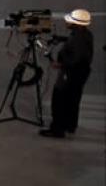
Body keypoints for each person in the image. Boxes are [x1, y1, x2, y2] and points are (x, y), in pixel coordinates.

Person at [40, 9, 94, 139]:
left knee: (59, 99)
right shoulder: (84, 33)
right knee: (73, 99)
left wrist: (60, 65)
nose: (67, 22)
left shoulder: (78, 38)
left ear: (78, 23)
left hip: (71, 72)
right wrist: (63, 39)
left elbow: (76, 57)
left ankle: (57, 129)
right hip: (80, 72)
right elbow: (78, 46)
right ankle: (70, 125)